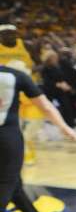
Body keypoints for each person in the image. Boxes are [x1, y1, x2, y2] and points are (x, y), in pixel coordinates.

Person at [1, 62, 76, 212]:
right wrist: (64, 127)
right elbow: (46, 106)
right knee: (6, 182)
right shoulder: (17, 75)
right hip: (6, 137)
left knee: (14, 184)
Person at [0, 24, 39, 164]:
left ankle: (27, 156)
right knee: (11, 128)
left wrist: (29, 72)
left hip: (26, 89)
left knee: (30, 128)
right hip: (6, 92)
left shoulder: (26, 46)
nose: (9, 36)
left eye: (11, 33)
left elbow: (37, 63)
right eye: (5, 33)